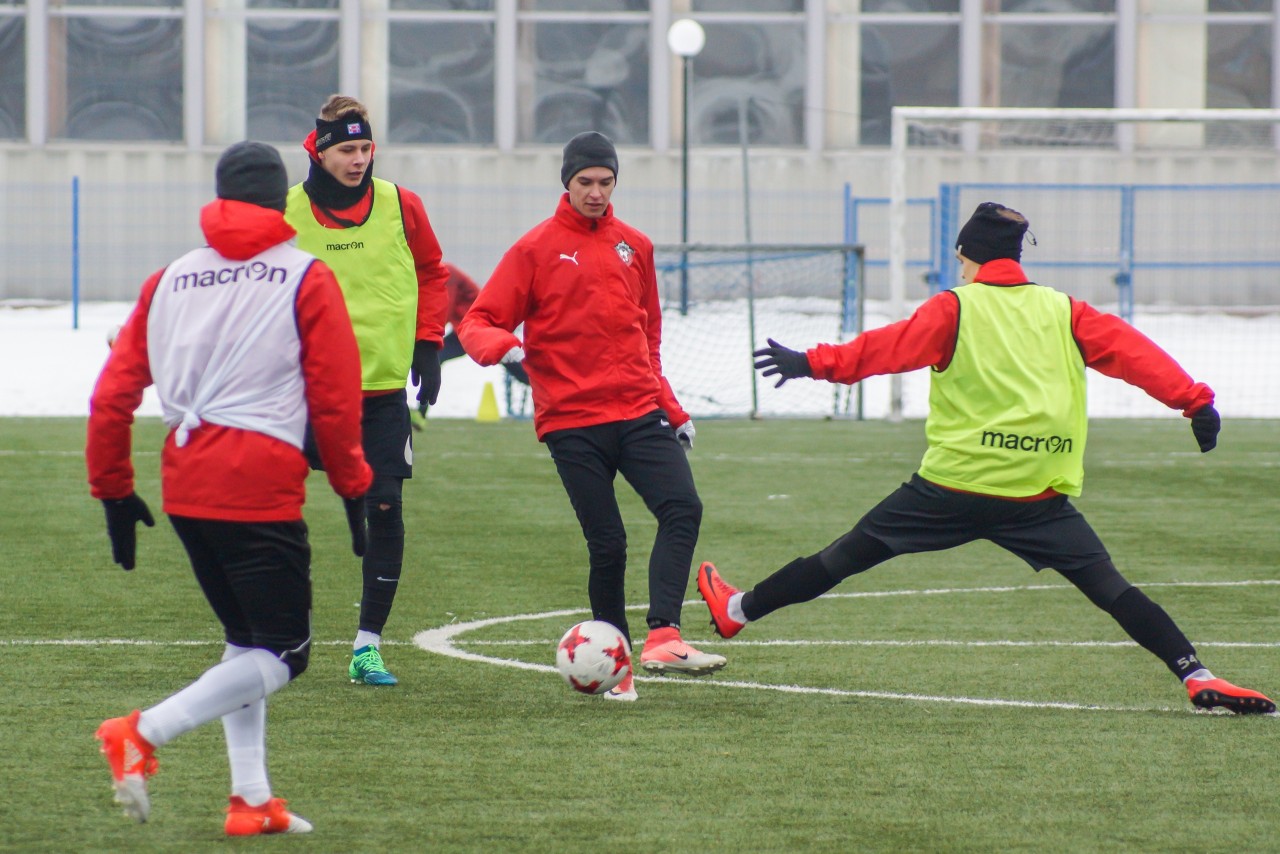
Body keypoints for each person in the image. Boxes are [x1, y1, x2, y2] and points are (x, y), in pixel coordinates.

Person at [699, 201, 1274, 715]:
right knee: (1111, 588)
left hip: (952, 489)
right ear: (1018, 257)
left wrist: (811, 362)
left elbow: (886, 349)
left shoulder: (955, 307)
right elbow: (1134, 352)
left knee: (844, 556)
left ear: (966, 256)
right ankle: (1196, 674)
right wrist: (1194, 401)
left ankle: (739, 611)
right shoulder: (1064, 310)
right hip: (1037, 497)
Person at [87, 141, 373, 834]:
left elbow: (113, 394)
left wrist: (115, 491)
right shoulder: (303, 274)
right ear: (283, 201)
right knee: (286, 653)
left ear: (218, 199)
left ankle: (251, 800)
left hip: (185, 484)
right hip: (257, 484)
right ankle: (141, 732)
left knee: (247, 642)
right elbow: (335, 399)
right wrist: (354, 485)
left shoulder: (170, 279)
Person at [458, 131, 724, 702]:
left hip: (637, 409)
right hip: (572, 421)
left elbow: (648, 339)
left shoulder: (637, 246)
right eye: (586, 182)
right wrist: (503, 346)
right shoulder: (534, 249)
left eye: (606, 182)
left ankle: (664, 636)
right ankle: (617, 667)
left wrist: (671, 409)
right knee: (608, 544)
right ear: (567, 182)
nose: (597, 192)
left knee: (683, 507)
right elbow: (476, 320)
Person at [284, 94, 450, 685]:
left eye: (365, 148)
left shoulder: (401, 204)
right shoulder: (289, 212)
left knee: (386, 508)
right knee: (278, 512)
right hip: (304, 395)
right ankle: (283, 633)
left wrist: (429, 342)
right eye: (347, 150)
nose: (359, 160)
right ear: (321, 152)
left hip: (381, 395)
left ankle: (366, 647)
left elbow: (434, 272)